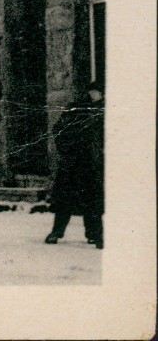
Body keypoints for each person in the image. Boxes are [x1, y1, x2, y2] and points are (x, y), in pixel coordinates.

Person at [45, 89, 105, 248]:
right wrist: (66, 149)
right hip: (72, 163)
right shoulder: (75, 108)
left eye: (98, 93)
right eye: (92, 92)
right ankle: (57, 232)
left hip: (93, 164)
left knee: (93, 202)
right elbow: (58, 130)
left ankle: (95, 235)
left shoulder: (106, 110)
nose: (94, 95)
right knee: (64, 200)